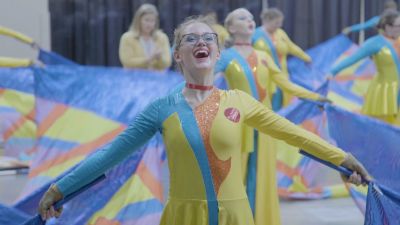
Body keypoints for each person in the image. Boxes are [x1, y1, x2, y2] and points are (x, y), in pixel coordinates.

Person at [38, 16, 370, 225]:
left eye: (209, 37)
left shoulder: (240, 102)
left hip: (237, 217)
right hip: (183, 217)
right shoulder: (161, 109)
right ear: (178, 55)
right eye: (190, 38)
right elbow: (109, 155)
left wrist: (342, 159)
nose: (202, 42)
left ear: (217, 52)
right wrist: (59, 188)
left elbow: (295, 134)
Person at [215, 8, 330, 225]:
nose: (249, 21)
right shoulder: (226, 57)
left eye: (250, 17)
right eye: (242, 18)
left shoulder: (264, 57)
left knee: (263, 174)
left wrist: (317, 97)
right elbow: (205, 80)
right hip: (237, 124)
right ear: (231, 27)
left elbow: (287, 85)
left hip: (264, 124)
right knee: (235, 174)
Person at [331, 10, 400, 125]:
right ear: (387, 26)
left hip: (397, 91)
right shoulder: (374, 43)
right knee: (381, 127)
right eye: (398, 26)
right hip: (384, 93)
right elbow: (353, 58)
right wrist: (333, 71)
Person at [252, 8, 312, 110]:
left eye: (280, 23)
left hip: (281, 74)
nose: (279, 25)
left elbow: (291, 47)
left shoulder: (280, 33)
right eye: (276, 23)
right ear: (267, 20)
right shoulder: (255, 35)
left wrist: (306, 58)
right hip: (264, 76)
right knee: (267, 102)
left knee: (282, 101)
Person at [119, 4, 171, 70]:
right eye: (146, 20)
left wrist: (160, 58)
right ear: (138, 20)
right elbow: (127, 61)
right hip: (133, 77)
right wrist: (150, 58)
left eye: (152, 21)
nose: (149, 24)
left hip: (157, 78)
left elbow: (167, 63)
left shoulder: (162, 37)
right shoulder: (127, 37)